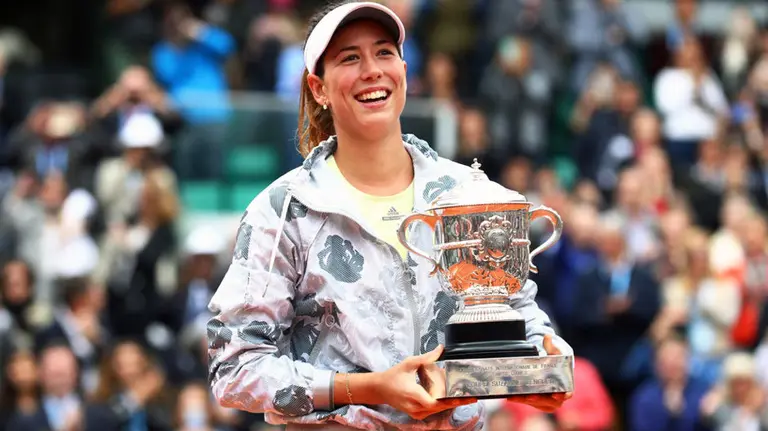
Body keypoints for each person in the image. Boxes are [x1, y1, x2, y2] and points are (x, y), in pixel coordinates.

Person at [206, 1, 573, 430]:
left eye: (384, 52)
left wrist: (543, 358)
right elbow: (235, 369)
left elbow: (513, 311)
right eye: (349, 58)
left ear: (403, 71)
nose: (372, 70)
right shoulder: (283, 210)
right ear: (318, 88)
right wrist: (369, 388)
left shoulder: (468, 192)